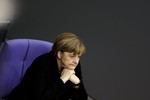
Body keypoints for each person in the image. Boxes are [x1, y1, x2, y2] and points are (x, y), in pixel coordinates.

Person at [6, 32, 88, 100]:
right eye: (72, 56)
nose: (76, 61)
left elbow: (83, 98)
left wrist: (77, 83)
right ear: (59, 54)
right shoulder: (41, 64)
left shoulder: (73, 64)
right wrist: (63, 79)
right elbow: (40, 98)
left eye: (79, 56)